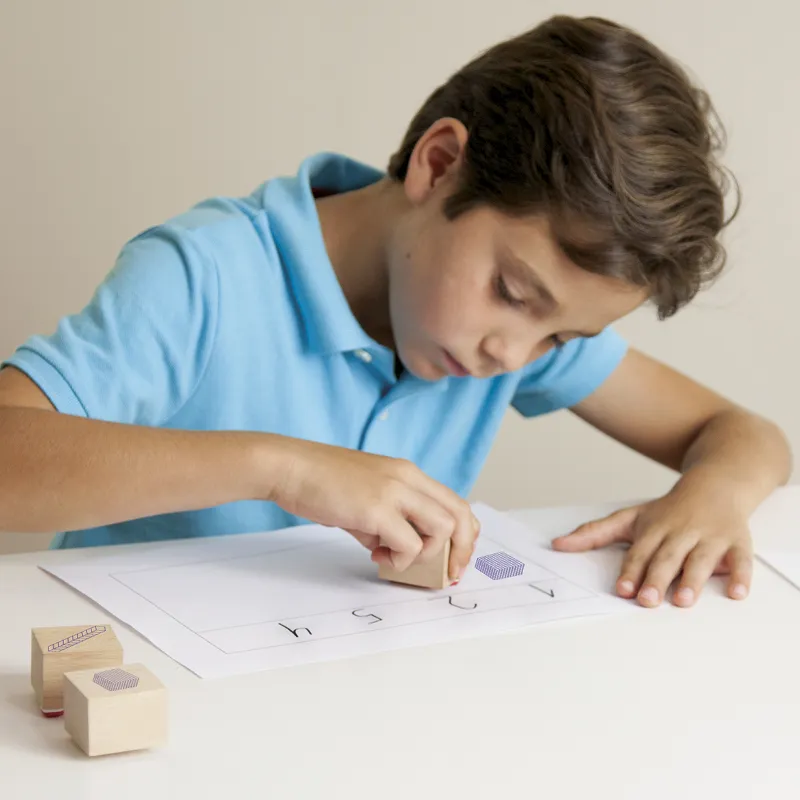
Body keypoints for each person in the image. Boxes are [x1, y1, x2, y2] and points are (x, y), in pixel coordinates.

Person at [0, 15, 791, 609]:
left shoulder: (501, 338)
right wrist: (286, 469)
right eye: (514, 295)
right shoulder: (207, 274)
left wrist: (712, 496)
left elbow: (744, 435)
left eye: (560, 336)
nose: (513, 356)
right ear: (439, 164)